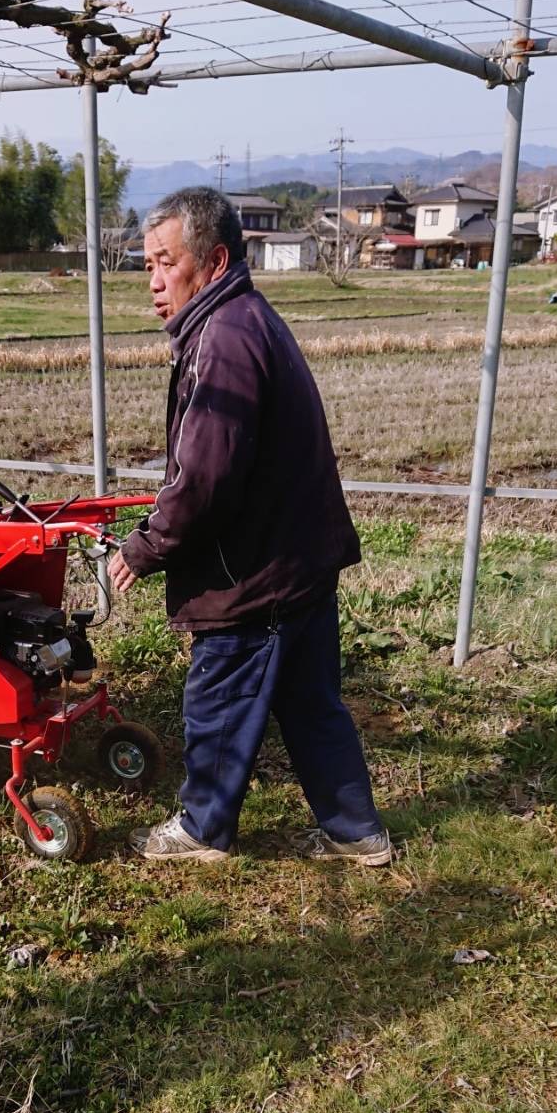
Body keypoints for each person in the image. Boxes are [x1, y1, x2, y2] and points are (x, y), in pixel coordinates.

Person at [109, 186, 390, 867]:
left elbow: (204, 479)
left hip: (254, 575)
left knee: (219, 707)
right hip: (298, 560)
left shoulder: (224, 339)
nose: (152, 282)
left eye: (164, 263)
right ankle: (358, 833)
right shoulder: (244, 318)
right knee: (312, 704)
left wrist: (145, 548)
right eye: (146, 265)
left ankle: (203, 831)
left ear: (214, 259)